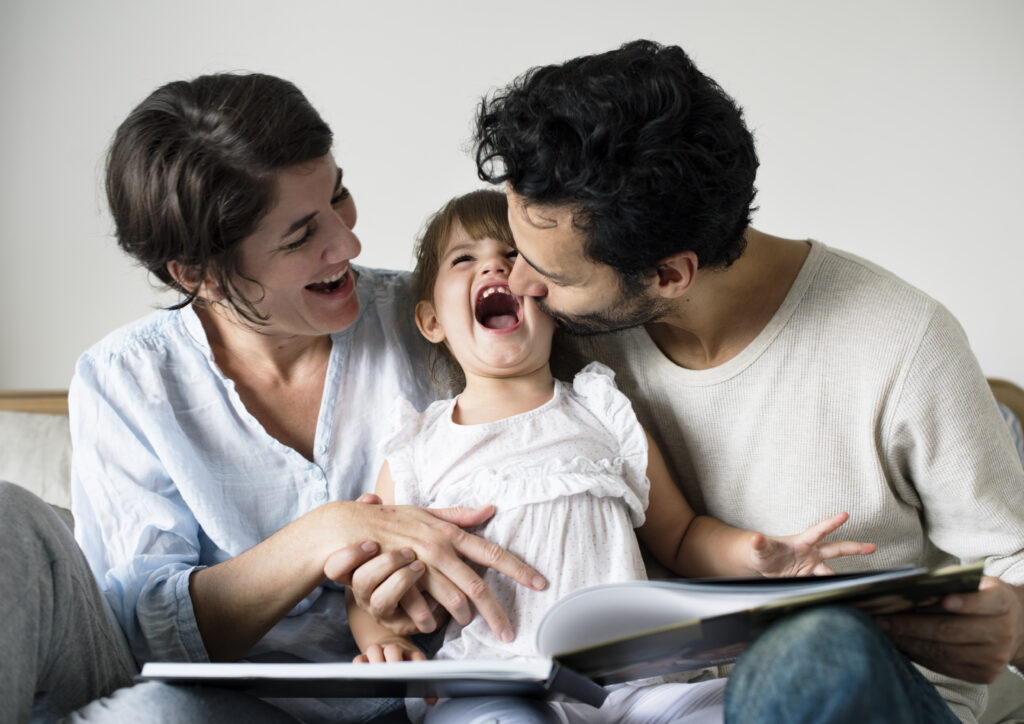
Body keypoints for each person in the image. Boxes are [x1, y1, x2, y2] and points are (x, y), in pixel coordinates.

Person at [467, 40, 1024, 724]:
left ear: (671, 275)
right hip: (658, 705)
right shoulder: (555, 338)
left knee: (809, 649)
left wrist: (1008, 618)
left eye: (550, 275)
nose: (520, 286)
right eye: (516, 252)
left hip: (874, 700)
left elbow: (1012, 562)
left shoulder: (901, 341)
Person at [7, 72, 551, 723]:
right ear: (199, 274)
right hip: (223, 707)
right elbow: (138, 638)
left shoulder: (437, 320)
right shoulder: (125, 381)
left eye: (339, 195)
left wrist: (414, 594)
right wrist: (328, 531)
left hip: (430, 693)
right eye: (299, 237)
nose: (348, 243)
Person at [345, 189, 877, 723]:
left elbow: (683, 535)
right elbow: (370, 585)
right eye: (466, 259)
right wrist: (382, 641)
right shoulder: (416, 447)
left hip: (636, 678)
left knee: (735, 711)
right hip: (495, 678)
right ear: (431, 320)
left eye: (514, 256)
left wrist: (758, 556)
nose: (496, 268)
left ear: (546, 296)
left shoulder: (603, 410)